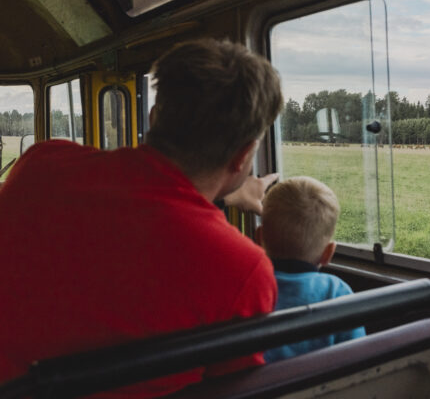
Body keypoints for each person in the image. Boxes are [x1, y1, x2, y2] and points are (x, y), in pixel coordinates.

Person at [0, 39, 283, 398]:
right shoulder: (244, 269)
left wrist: (221, 197)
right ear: (243, 156)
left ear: (153, 118)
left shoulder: (41, 164)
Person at [255, 176, 366, 362]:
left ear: (259, 238)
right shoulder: (337, 292)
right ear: (328, 253)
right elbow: (359, 359)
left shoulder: (249, 288)